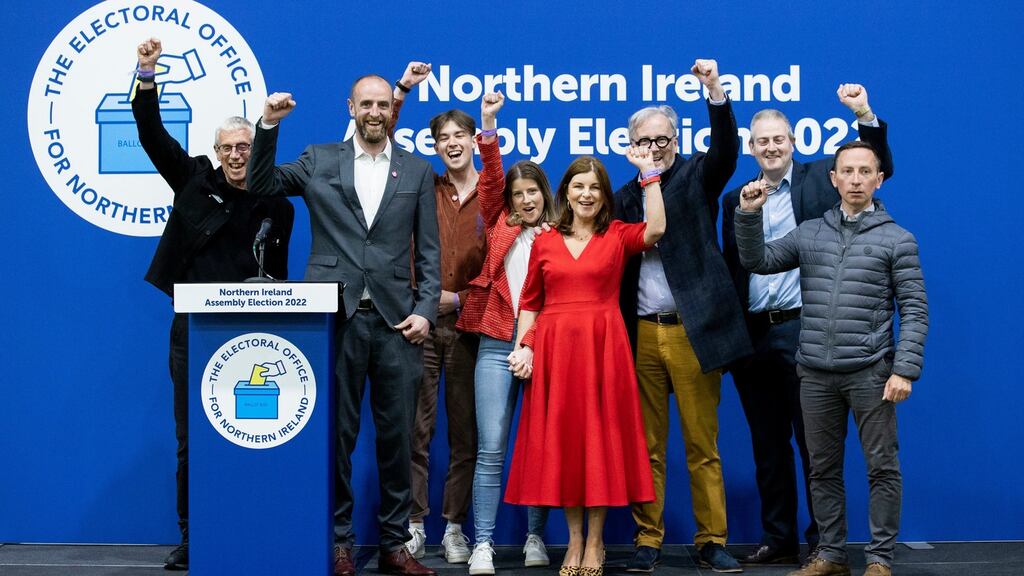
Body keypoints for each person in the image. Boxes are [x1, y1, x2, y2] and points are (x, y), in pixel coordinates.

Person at [248, 73, 440, 576]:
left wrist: (424, 309)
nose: (375, 111)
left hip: (400, 324)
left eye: (383, 103)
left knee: (399, 438)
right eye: (366, 104)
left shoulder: (417, 170)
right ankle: (338, 541)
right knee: (337, 436)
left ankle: (395, 546)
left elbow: (430, 251)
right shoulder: (319, 159)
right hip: (335, 319)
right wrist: (268, 123)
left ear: (390, 111)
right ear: (350, 107)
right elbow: (260, 183)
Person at [131, 38, 294, 571]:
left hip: (254, 338)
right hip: (194, 330)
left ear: (257, 148)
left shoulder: (276, 203)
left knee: (255, 435)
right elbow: (152, 135)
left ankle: (256, 526)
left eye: (245, 146)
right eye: (227, 147)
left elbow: (280, 275)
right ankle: (193, 534)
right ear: (216, 151)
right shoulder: (193, 180)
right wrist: (148, 71)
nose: (236, 155)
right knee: (191, 440)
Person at [734, 141, 927, 576]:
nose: (856, 180)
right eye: (848, 172)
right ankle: (831, 555)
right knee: (822, 470)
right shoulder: (810, 232)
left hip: (872, 371)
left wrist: (904, 369)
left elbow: (914, 308)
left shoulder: (898, 239)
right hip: (816, 373)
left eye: (865, 172)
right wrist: (748, 214)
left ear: (879, 180)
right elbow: (757, 259)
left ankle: (879, 559)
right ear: (833, 179)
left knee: (882, 468)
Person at [721, 85, 893, 566]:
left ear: (793, 143)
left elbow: (877, 163)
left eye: (779, 139)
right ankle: (778, 539)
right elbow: (737, 266)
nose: (771, 148)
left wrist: (863, 112)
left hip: (808, 332)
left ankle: (824, 542)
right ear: (751, 147)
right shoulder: (737, 197)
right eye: (762, 141)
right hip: (754, 337)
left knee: (814, 446)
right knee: (767, 446)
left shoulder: (823, 179)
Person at [613, 59, 748, 574]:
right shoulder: (622, 197)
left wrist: (713, 90)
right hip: (642, 333)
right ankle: (648, 538)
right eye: (644, 141)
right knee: (646, 445)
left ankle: (711, 538)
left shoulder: (697, 174)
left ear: (676, 138)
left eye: (662, 139)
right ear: (631, 145)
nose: (654, 148)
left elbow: (728, 149)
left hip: (695, 332)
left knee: (701, 443)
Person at [504, 149, 664, 576]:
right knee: (569, 447)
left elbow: (657, 229)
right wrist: (525, 349)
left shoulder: (617, 236)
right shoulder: (545, 241)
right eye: (579, 186)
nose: (587, 194)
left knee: (600, 445)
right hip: (556, 354)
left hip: (603, 350)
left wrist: (649, 175)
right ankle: (573, 541)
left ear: (605, 195)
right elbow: (531, 304)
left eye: (595, 187)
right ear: (566, 193)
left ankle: (596, 542)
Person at [449, 92, 556, 575]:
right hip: (496, 343)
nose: (525, 199)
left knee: (540, 447)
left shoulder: (562, 233)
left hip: (546, 347)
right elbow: (491, 176)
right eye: (518, 193)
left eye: (532, 191)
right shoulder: (498, 224)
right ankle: (483, 545)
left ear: (545, 193)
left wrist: (534, 343)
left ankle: (536, 537)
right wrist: (488, 124)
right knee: (491, 446)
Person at [388, 62, 486, 565]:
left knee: (465, 432)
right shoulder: (422, 185)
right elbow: (382, 134)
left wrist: (460, 300)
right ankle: (414, 524)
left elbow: (506, 269)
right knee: (415, 430)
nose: (452, 143)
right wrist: (402, 89)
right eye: (442, 137)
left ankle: (453, 527)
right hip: (421, 327)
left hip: (471, 330)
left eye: (459, 135)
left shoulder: (494, 196)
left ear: (473, 140)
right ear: (434, 147)